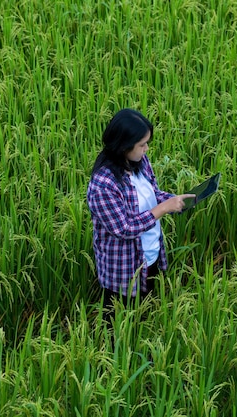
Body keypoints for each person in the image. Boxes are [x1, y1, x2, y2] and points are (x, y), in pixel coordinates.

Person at [87, 108, 194, 321]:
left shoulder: (139, 162)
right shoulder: (103, 185)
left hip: (151, 255)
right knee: (119, 326)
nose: (146, 149)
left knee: (145, 316)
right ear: (124, 146)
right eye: (142, 144)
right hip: (125, 268)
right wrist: (163, 208)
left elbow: (152, 193)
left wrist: (174, 200)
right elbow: (123, 228)